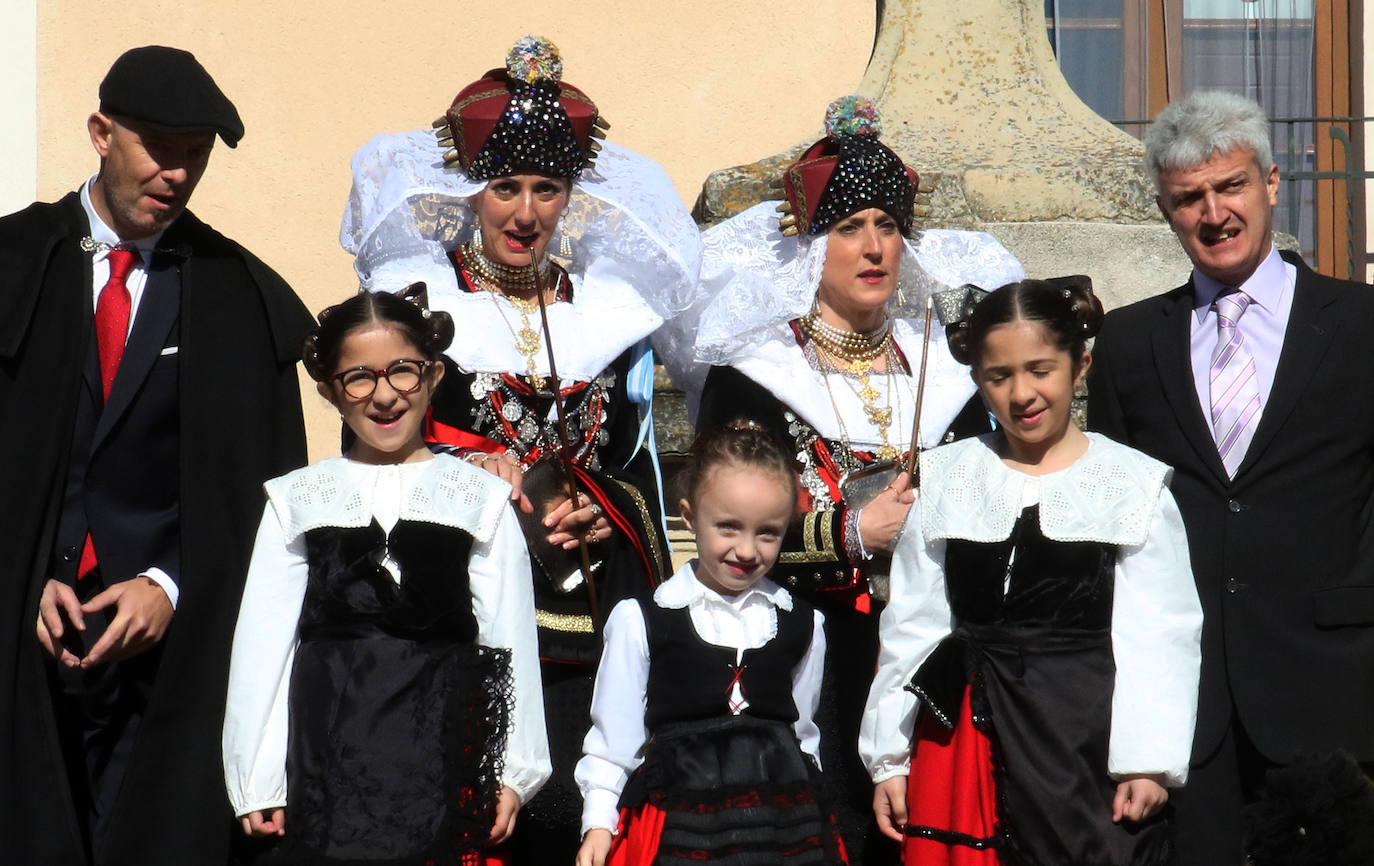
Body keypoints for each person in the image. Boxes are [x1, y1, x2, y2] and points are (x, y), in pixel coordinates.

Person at [340, 36, 699, 862]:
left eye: (548, 188)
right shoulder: (418, 311)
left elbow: (635, 466)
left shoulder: (607, 315)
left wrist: (606, 513)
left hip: (594, 610)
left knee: (584, 807)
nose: (526, 213)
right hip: (465, 607)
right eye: (505, 187)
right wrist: (473, 474)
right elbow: (369, 458)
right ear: (472, 190)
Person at [684, 94, 1023, 864]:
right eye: (849, 228)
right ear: (812, 248)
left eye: (888, 226)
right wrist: (850, 533)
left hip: (930, 651)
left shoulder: (944, 370)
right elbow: (722, 528)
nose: (874, 247)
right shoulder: (758, 377)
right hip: (804, 651)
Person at [0, 46, 312, 865]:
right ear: (102, 133)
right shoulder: (9, 262)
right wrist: (22, 573)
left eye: (195, 155)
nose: (177, 174)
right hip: (18, 645)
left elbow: (261, 490)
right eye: (160, 148)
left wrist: (171, 581)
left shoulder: (233, 293)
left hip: (165, 661)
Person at [1086, 90, 1374, 865]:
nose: (1213, 212)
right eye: (1189, 198)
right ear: (1165, 211)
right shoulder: (1127, 342)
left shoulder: (1362, 326)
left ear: (1272, 184)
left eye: (1230, 186)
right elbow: (1115, 527)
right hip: (1189, 713)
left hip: (1338, 693)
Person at [862, 277, 1203, 865]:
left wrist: (1147, 760)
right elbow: (913, 623)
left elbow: (1162, 632)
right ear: (978, 381)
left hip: (1081, 736)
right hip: (961, 736)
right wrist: (889, 756)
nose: (1022, 393)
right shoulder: (949, 475)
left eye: (1040, 369)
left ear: (1080, 366)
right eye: (999, 376)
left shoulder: (1131, 484)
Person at [223, 288, 550, 864]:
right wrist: (256, 777)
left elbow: (509, 639)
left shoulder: (479, 497)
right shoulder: (298, 497)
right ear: (330, 391)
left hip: (441, 744)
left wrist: (513, 772)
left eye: (402, 371)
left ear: (433, 374)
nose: (384, 396)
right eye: (359, 378)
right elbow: (263, 645)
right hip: (328, 749)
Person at [574, 423, 845, 866]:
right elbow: (614, 738)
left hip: (781, 828)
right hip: (682, 823)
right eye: (728, 527)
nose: (746, 549)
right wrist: (599, 824)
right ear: (689, 517)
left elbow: (803, 734)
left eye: (768, 533)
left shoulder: (803, 623)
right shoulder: (642, 618)